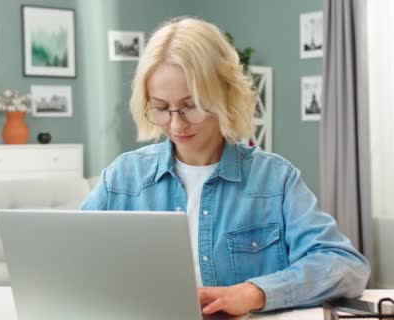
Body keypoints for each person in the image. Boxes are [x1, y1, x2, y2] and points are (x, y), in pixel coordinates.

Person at [81, 17, 370, 316]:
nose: (177, 124)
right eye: (162, 108)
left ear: (225, 95)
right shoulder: (122, 178)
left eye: (191, 105)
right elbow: (71, 259)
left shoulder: (274, 180)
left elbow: (346, 266)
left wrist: (255, 292)